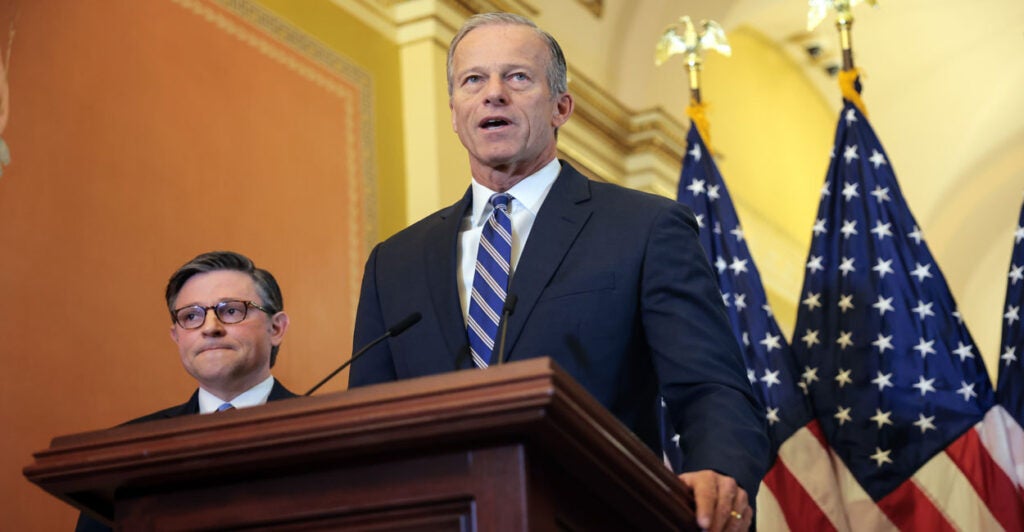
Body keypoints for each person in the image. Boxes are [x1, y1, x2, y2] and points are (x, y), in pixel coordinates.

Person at [349, 12, 768, 531]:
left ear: (560, 107)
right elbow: (367, 419)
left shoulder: (644, 227)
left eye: (518, 77)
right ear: (455, 113)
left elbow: (709, 387)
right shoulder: (395, 263)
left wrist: (719, 470)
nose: (493, 94)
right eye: (473, 80)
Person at [75, 251, 296, 531]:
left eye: (231, 310)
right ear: (177, 337)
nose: (210, 328)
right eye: (192, 316)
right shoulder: (123, 453)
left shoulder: (324, 432)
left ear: (276, 327)